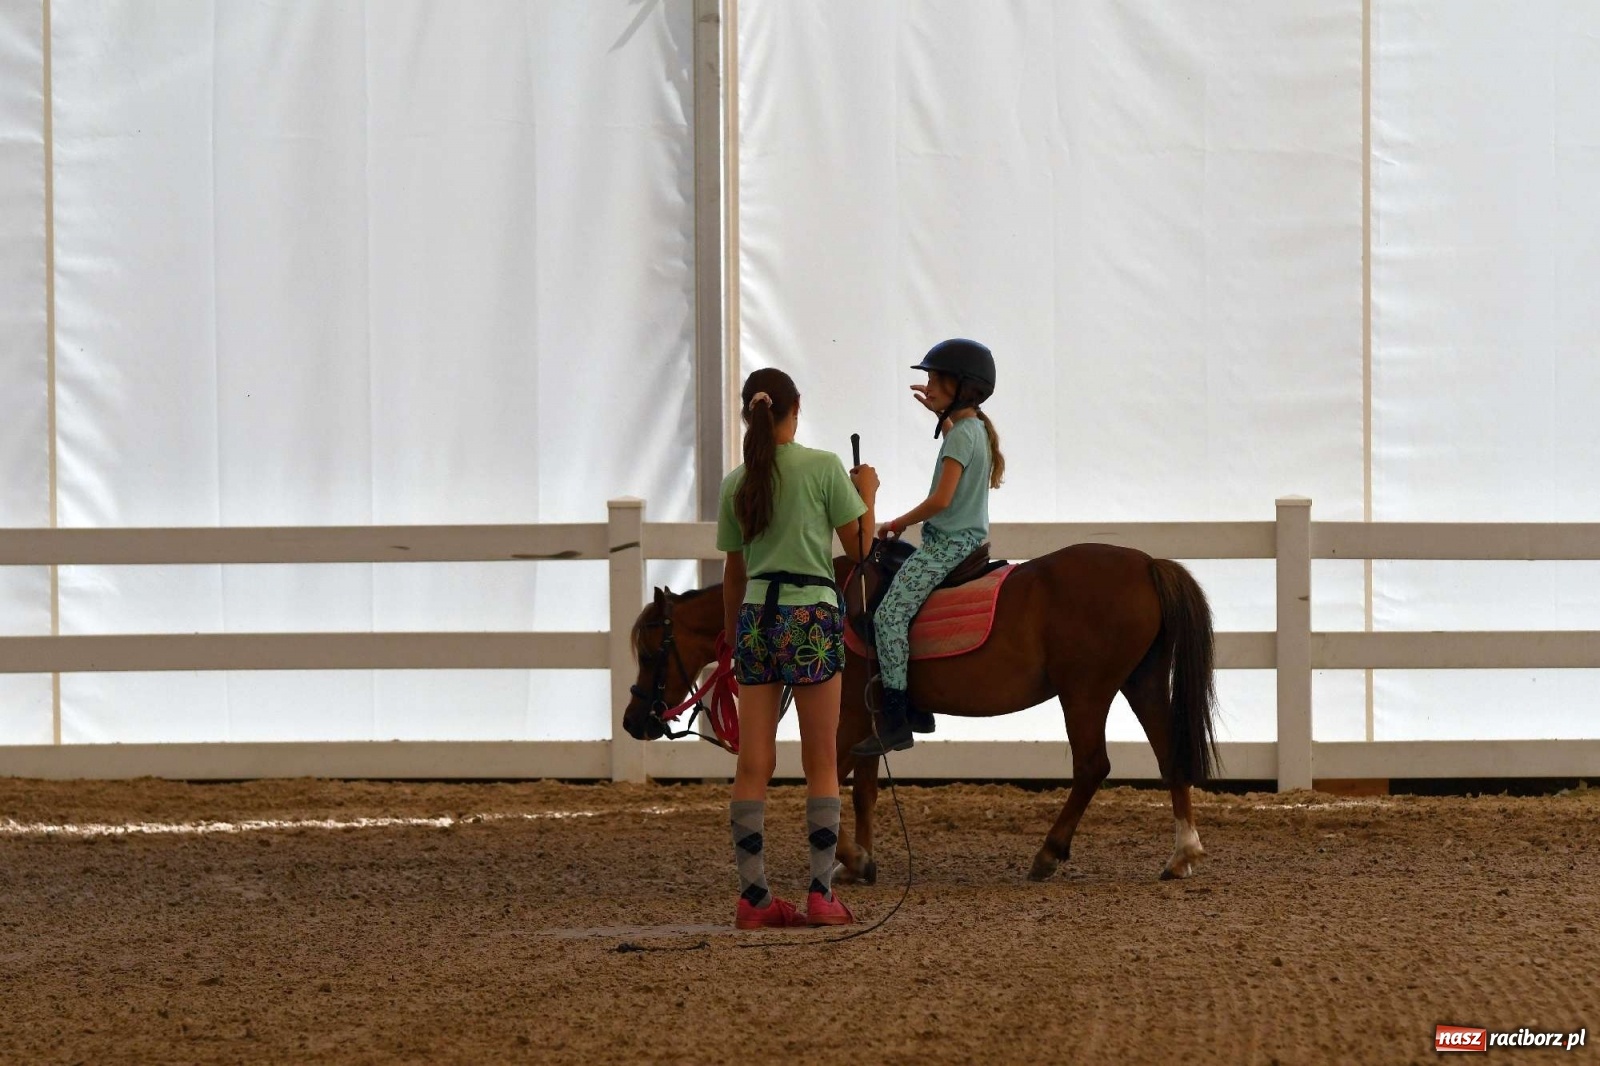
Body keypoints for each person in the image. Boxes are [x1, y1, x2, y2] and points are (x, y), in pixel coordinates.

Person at [716, 367, 879, 929]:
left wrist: (736, 639)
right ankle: (819, 893)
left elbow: (734, 573)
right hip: (810, 614)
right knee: (822, 759)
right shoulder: (823, 467)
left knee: (754, 761)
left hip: (757, 617)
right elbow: (860, 547)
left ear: (748, 414)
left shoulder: (736, 482)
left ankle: (754, 899)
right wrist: (869, 495)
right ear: (796, 407)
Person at [851, 338, 1007, 757]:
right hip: (968, 539)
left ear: (964, 387)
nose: (930, 385)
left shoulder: (959, 437)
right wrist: (941, 412)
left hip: (948, 545)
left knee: (887, 616)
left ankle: (898, 719)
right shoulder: (973, 429)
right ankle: (920, 707)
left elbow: (941, 500)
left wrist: (898, 522)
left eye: (938, 378)